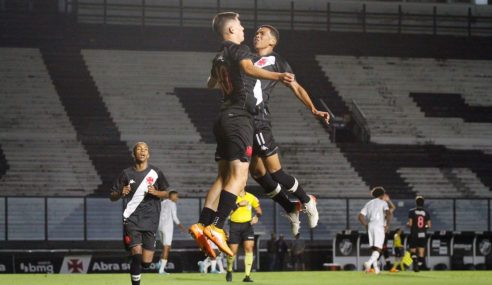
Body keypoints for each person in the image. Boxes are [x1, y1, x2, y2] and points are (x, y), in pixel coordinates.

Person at [188, 11, 294, 258]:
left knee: (223, 176)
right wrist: (278, 75)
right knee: (240, 176)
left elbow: (210, 83)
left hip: (223, 118)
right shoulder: (239, 50)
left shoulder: (219, 56)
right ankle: (217, 227)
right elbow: (248, 68)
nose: (244, 29)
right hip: (240, 118)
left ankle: (202, 223)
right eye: (240, 25)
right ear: (231, 30)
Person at [249, 25, 330, 236]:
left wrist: (313, 108)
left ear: (272, 42)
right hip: (243, 120)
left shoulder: (277, 61)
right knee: (257, 173)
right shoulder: (246, 58)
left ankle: (306, 200)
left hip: (258, 118)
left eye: (262, 34)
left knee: (275, 172)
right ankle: (290, 207)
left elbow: (296, 86)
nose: (257, 35)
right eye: (256, 33)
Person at [110, 142, 169, 285]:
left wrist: (156, 192)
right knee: (136, 254)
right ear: (134, 154)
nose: (142, 151)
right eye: (139, 149)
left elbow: (168, 193)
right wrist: (120, 193)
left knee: (146, 262)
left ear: (148, 154)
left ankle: (135, 257)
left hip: (151, 220)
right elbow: (112, 196)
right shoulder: (126, 173)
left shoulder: (156, 172)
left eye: (145, 149)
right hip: (132, 219)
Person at [225, 188, 262, 282]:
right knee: (232, 252)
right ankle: (229, 269)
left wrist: (257, 216)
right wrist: (238, 205)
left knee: (249, 248)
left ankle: (247, 276)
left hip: (247, 225)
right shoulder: (231, 197)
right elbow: (226, 212)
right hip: (234, 225)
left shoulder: (251, 197)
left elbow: (259, 210)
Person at [358, 186, 392, 274]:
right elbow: (388, 213)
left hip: (370, 226)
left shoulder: (369, 203)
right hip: (379, 226)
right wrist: (387, 225)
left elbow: (360, 216)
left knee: (374, 248)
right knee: (379, 248)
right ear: (382, 194)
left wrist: (365, 224)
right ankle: (368, 263)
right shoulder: (383, 203)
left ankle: (376, 269)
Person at [157, 190, 186, 274]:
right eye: (176, 196)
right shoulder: (172, 204)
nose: (177, 198)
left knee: (166, 247)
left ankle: (159, 263)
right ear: (172, 196)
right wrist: (182, 227)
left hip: (160, 226)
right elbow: (175, 217)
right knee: (167, 247)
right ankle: (161, 270)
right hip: (167, 227)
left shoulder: (162, 203)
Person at [407, 195, 432, 272]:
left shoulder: (411, 211)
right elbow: (429, 225)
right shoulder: (426, 212)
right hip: (423, 234)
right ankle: (419, 265)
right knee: (421, 252)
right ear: (423, 203)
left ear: (416, 203)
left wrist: (408, 224)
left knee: (413, 251)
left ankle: (415, 261)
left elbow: (410, 224)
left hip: (414, 233)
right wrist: (424, 227)